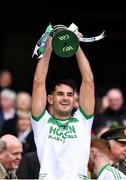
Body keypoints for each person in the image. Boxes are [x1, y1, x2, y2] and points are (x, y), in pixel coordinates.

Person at [31, 34, 95, 180]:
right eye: (60, 94)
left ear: (74, 100)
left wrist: (76, 46)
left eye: (70, 95)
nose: (65, 98)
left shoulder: (83, 121)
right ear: (50, 98)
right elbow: (38, 82)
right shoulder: (41, 122)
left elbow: (88, 80)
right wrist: (49, 47)